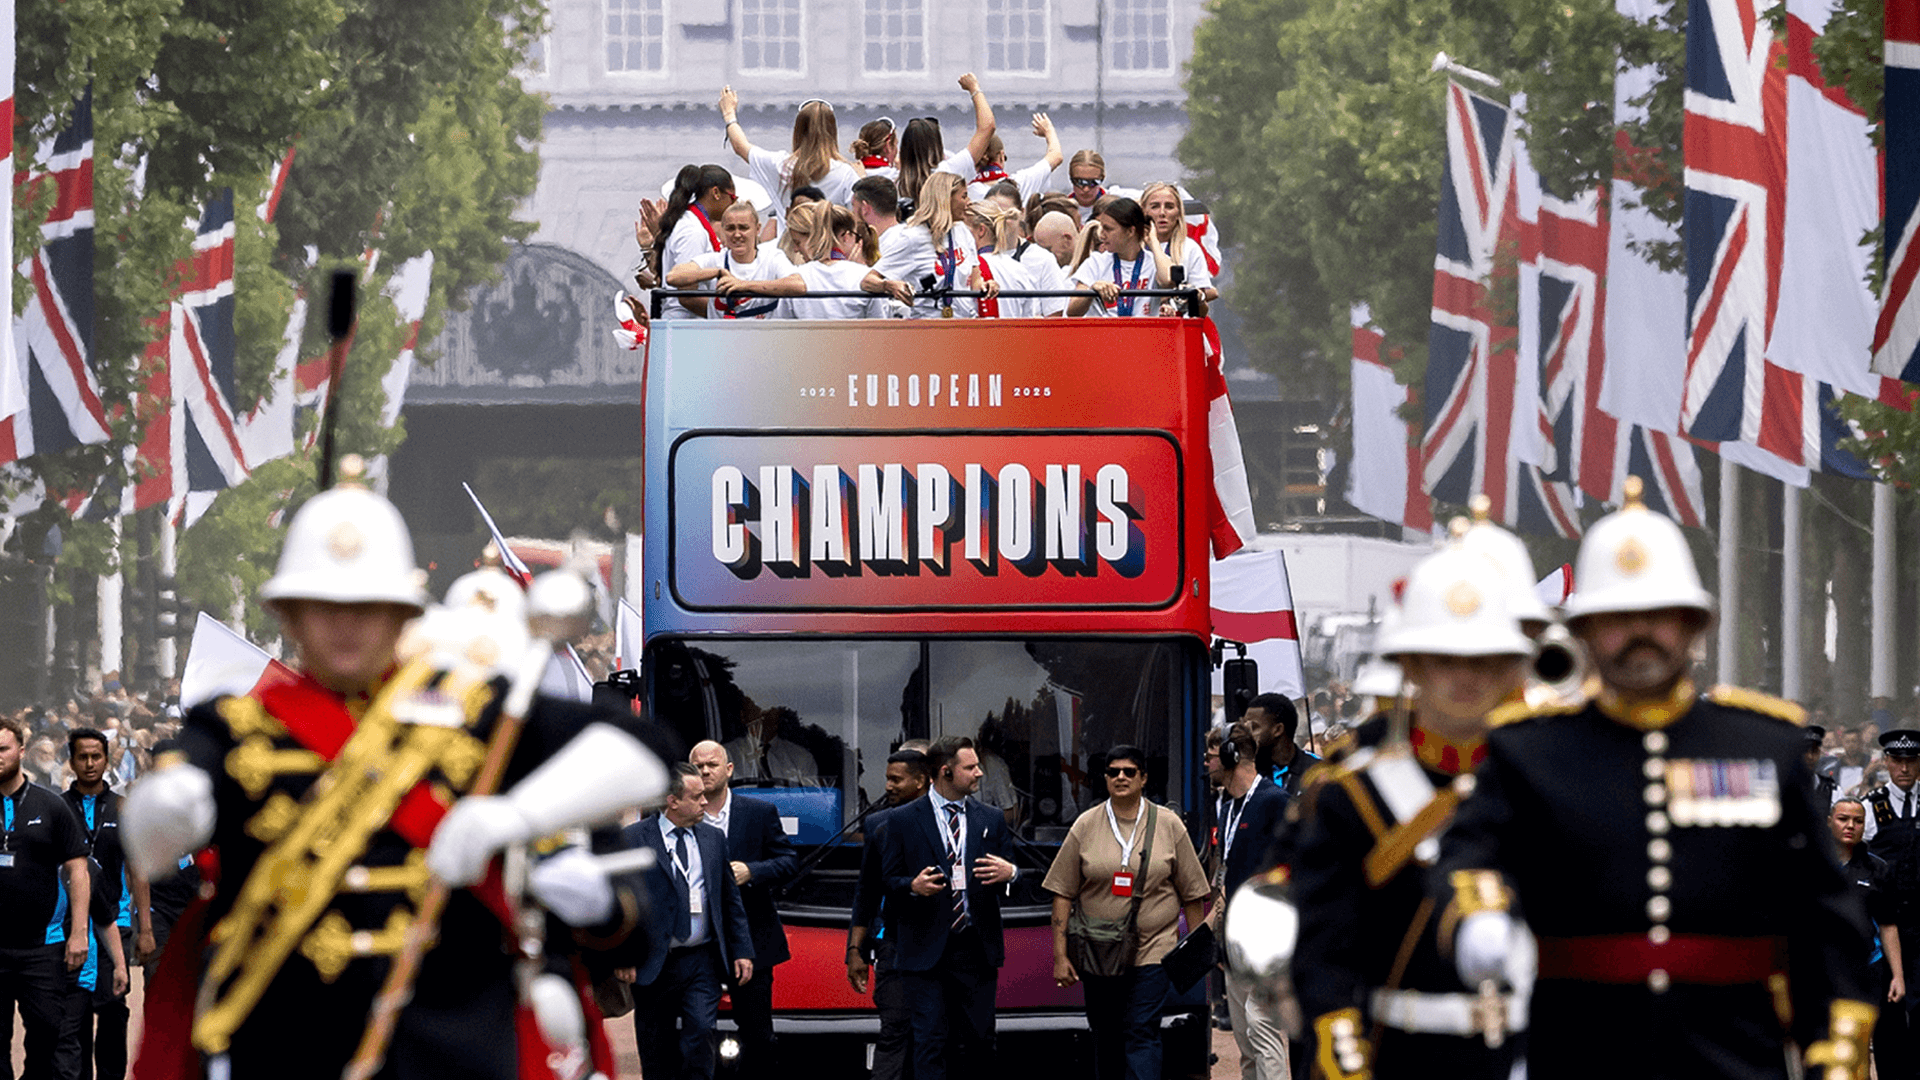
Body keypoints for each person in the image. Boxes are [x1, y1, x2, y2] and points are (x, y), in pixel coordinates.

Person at [120, 468, 671, 1080]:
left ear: (403, 615)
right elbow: (152, 839)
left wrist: (517, 817)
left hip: (452, 1053)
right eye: (323, 608)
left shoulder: (478, 717)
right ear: (289, 617)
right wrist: (171, 806)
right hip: (285, 1048)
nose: (346, 626)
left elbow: (646, 753)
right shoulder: (234, 728)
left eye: (368, 608)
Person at [1437, 477, 1877, 1079]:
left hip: (1737, 1058)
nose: (1640, 633)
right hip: (1581, 1056)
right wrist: (1482, 910)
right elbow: (1467, 856)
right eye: (1617, 619)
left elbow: (1824, 915)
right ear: (1584, 632)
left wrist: (1836, 1049)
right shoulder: (1529, 750)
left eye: (1660, 616)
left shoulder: (1765, 746)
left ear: (1694, 625)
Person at [1287, 546, 1532, 1080]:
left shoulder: (1542, 786)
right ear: (1413, 665)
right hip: (1401, 1056)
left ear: (1508, 669)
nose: (1465, 677)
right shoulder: (1354, 797)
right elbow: (1326, 957)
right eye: (1444, 659)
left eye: (1484, 660)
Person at [1045, 745, 1209, 1080]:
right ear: (1105, 779)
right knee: (1105, 1034)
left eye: (1129, 772)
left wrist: (1194, 952)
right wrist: (1060, 956)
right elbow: (1062, 892)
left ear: (1143, 778)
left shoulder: (1169, 825)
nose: (1121, 777)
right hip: (1098, 952)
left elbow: (1193, 894)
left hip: (1154, 950)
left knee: (1141, 1030)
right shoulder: (1086, 825)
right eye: (1113, 772)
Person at [880, 736, 1019, 1080]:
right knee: (930, 1041)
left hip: (976, 949)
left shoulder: (991, 818)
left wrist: (1011, 873)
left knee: (980, 1041)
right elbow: (887, 880)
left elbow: (1013, 870)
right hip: (924, 951)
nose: (980, 773)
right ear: (945, 772)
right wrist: (911, 886)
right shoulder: (902, 820)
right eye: (971, 767)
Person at [620, 764, 754, 1080]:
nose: (705, 802)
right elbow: (621, 901)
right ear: (673, 801)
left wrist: (742, 950)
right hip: (654, 960)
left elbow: (730, 899)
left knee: (702, 1031)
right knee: (655, 1046)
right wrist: (623, 955)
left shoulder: (713, 838)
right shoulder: (634, 838)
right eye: (697, 797)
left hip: (701, 960)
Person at [688, 741, 797, 1075]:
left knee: (758, 1034)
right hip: (700, 943)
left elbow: (788, 862)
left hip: (753, 940)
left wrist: (752, 871)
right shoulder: (682, 815)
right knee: (696, 1030)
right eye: (698, 766)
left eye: (712, 765)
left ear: (729, 770)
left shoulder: (758, 813)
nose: (705, 771)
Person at [0, 714, 91, 1080]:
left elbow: (78, 870)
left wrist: (79, 932)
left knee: (48, 1030)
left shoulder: (51, 805)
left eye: (3, 749)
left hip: (42, 946)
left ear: (21, 751)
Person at [1204, 724, 1290, 1080]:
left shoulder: (1274, 801)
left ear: (1231, 756)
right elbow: (1228, 872)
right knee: (1244, 1038)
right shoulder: (1227, 808)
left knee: (1262, 1029)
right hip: (1234, 940)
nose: (1206, 763)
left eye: (1211, 756)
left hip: (1265, 939)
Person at [848, 748, 932, 1080]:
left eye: (896, 780)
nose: (888, 787)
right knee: (893, 1032)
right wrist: (855, 950)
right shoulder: (877, 824)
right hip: (893, 947)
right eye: (887, 779)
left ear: (921, 781)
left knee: (937, 1037)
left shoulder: (951, 821)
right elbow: (866, 892)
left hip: (941, 948)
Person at [61, 727, 135, 1080]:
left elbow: (137, 868)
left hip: (115, 922)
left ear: (106, 760)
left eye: (96, 756)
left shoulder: (123, 807)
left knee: (112, 1010)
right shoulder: (58, 808)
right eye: (82, 757)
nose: (90, 764)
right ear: (72, 761)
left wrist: (144, 926)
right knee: (72, 1014)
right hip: (69, 928)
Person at [1830, 797, 1907, 1080]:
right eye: (1843, 819)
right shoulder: (1812, 866)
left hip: (1870, 968)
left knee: (1880, 1045)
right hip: (1826, 968)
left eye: (1858, 821)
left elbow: (1888, 925)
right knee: (1835, 1046)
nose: (1850, 825)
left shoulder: (1878, 869)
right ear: (1829, 822)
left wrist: (1897, 976)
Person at [1864, 728, 1920, 1074]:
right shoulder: (1872, 807)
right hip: (1887, 923)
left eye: (1911, 760)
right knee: (1890, 1010)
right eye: (1897, 761)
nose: (1904, 768)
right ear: (1886, 762)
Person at [719, 90, 860, 221]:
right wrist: (862, 178)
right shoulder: (846, 174)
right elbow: (857, 217)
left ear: (798, 130)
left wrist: (729, 114)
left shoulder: (780, 165)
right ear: (833, 131)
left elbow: (740, 146)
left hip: (788, 240)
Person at [863, 172, 984, 319]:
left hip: (965, 323)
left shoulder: (963, 231)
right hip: (927, 326)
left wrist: (987, 285)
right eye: (964, 196)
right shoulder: (912, 238)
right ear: (945, 199)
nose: (969, 202)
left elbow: (976, 281)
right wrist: (888, 285)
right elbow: (868, 281)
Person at [664, 199, 794, 321]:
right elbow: (672, 277)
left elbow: (797, 285)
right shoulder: (715, 260)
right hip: (722, 335)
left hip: (763, 335)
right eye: (730, 228)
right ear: (723, 231)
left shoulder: (772, 258)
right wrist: (718, 272)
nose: (737, 235)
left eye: (743, 228)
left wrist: (743, 285)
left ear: (757, 229)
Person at [894, 74, 996, 217]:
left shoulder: (896, 183)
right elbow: (988, 127)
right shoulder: (948, 172)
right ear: (937, 145)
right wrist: (974, 89)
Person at [652, 165, 737, 319]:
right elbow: (687, 295)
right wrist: (726, 317)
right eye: (732, 198)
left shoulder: (692, 224)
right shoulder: (692, 231)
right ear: (716, 193)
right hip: (685, 324)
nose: (732, 205)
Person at [1067, 198, 1175, 318]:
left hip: (1143, 329)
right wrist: (1092, 291)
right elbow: (1071, 311)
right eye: (1102, 228)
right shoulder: (1096, 261)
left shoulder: (1155, 261)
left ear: (1130, 231)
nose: (1101, 235)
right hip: (1104, 329)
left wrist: (1153, 241)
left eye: (1108, 229)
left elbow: (1168, 280)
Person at [1139, 182, 1219, 308]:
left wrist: (1193, 295)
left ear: (1178, 213)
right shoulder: (1131, 247)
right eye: (1155, 207)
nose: (1162, 213)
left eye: (1169, 207)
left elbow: (1202, 297)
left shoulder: (1190, 248)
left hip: (1177, 318)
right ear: (1144, 211)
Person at [967, 113, 1063, 203]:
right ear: (1001, 156)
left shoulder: (966, 194)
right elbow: (1056, 156)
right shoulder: (1021, 182)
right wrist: (1049, 130)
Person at [1242, 693, 1319, 802]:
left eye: (1254, 727)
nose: (1246, 734)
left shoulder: (1316, 771)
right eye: (1245, 727)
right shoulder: (1246, 772)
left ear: (1278, 730)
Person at [723, 703, 817, 784]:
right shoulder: (727, 754)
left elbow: (811, 796)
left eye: (770, 705)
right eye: (758, 705)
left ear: (779, 714)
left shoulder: (800, 757)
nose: (765, 713)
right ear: (743, 716)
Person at [1066, 149, 1109, 223]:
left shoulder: (1116, 204)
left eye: (1093, 182)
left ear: (1102, 178)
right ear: (1070, 177)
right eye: (1079, 182)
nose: (1086, 189)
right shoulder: (1062, 209)